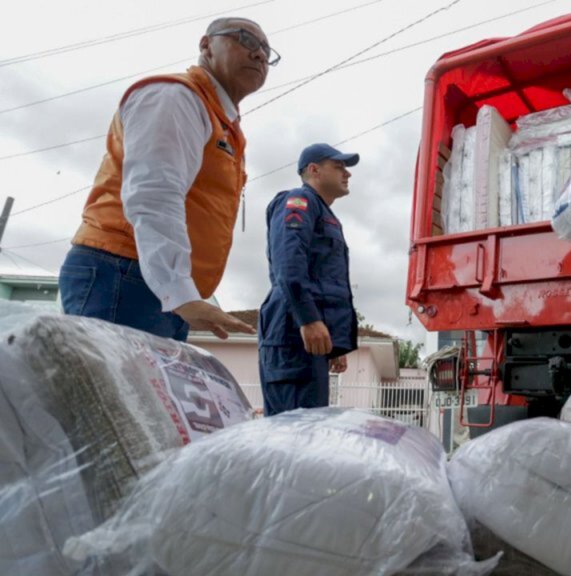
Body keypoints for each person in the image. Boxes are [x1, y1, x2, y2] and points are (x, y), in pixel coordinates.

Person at [58, 17, 280, 340]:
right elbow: (155, 195)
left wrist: (181, 295)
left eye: (266, 49)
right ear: (206, 45)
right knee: (116, 391)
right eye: (245, 39)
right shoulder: (176, 97)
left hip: (158, 287)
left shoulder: (222, 122)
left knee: (140, 392)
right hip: (124, 274)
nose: (259, 54)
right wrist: (180, 293)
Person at [258, 143, 359, 416]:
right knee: (292, 436)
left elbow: (324, 282)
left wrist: (335, 344)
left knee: (309, 434)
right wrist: (308, 319)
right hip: (292, 332)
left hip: (306, 338)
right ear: (314, 170)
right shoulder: (298, 201)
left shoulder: (323, 213)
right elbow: (288, 264)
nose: (347, 173)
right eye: (338, 166)